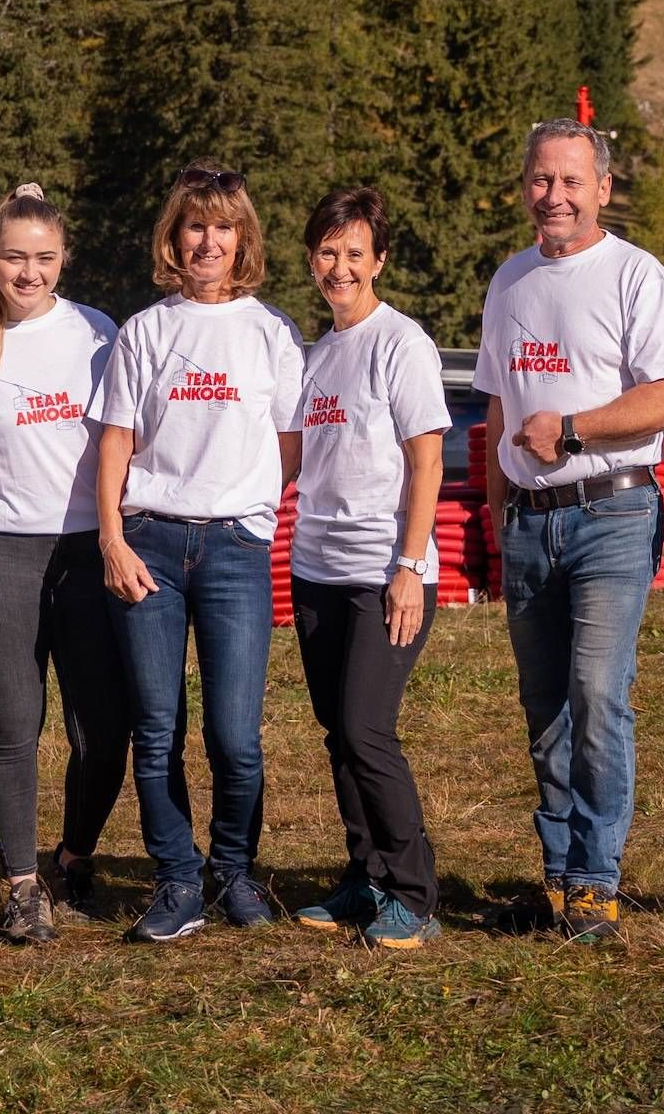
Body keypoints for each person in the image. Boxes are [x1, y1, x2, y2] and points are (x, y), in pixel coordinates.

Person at [474, 119, 664, 942]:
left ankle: (598, 879)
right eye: (541, 179)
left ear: (602, 188)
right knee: (544, 707)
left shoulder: (636, 275)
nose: (555, 195)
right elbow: (498, 406)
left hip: (614, 509)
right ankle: (561, 875)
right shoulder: (508, 281)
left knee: (597, 693)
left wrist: (570, 428)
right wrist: (495, 510)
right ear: (525, 186)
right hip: (529, 522)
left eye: (572, 181)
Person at [93, 160, 304, 942]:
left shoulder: (272, 331)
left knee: (235, 735)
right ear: (173, 238)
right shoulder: (146, 331)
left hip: (233, 553)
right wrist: (113, 536)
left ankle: (235, 871)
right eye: (194, 225)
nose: (208, 240)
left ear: (242, 236)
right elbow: (116, 439)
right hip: (149, 542)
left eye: (223, 226)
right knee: (156, 730)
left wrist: (247, 514)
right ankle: (177, 880)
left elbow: (290, 444)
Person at [0, 184, 131, 945]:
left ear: (64, 259)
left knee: (104, 728)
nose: (29, 272)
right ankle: (21, 886)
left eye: (44, 258)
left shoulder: (99, 335)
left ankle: (74, 856)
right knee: (13, 723)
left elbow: (125, 444)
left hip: (86, 550)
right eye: (15, 258)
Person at [286, 188, 450, 949]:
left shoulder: (400, 343)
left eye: (355, 253)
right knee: (337, 733)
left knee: (366, 728)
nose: (340, 267)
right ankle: (365, 878)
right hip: (316, 572)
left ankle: (414, 894)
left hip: (385, 573)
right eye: (327, 252)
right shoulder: (316, 356)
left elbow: (427, 463)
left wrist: (410, 566)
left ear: (379, 260)